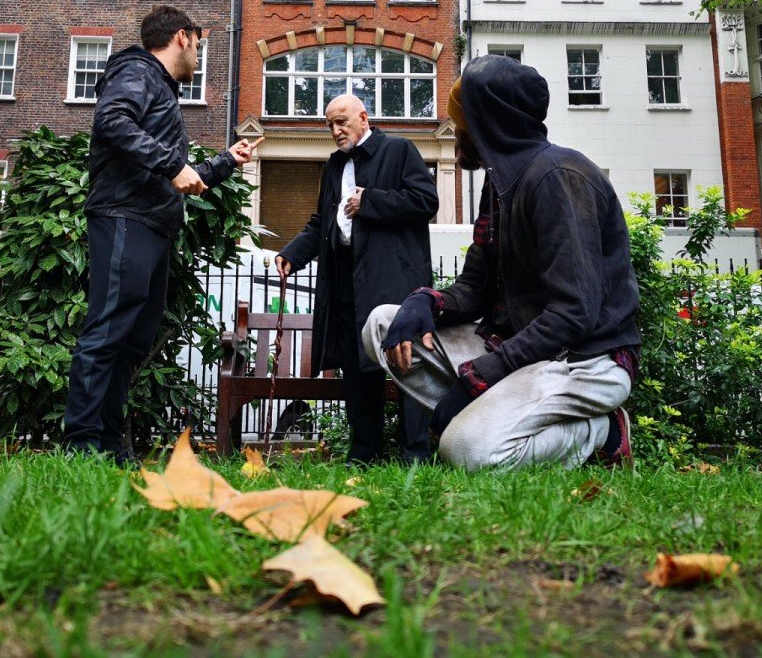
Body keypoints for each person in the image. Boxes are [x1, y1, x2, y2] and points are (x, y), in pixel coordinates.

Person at [362, 55, 641, 471]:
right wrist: (427, 302)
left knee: (468, 451)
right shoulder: (499, 184)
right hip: (522, 351)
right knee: (383, 325)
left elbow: (573, 314)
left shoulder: (557, 177)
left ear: (488, 122)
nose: (456, 130)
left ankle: (602, 432)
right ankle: (495, 418)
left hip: (584, 360)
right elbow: (475, 289)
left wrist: (478, 378)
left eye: (463, 121)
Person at [64, 6, 259, 463]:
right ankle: (81, 446)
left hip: (151, 225)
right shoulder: (137, 71)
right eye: (199, 45)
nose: (198, 56)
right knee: (107, 332)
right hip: (124, 216)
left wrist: (226, 162)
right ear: (182, 37)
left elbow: (180, 176)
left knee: (131, 339)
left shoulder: (159, 89)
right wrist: (173, 165)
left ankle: (106, 446)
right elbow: (112, 121)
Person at [275, 95, 439, 464]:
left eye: (342, 122)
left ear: (363, 118)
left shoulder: (399, 150)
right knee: (357, 369)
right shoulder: (335, 165)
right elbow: (323, 222)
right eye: (330, 125)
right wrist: (293, 254)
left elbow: (426, 201)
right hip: (346, 279)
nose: (335, 130)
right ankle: (364, 454)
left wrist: (371, 202)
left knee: (407, 363)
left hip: (394, 279)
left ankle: (416, 455)